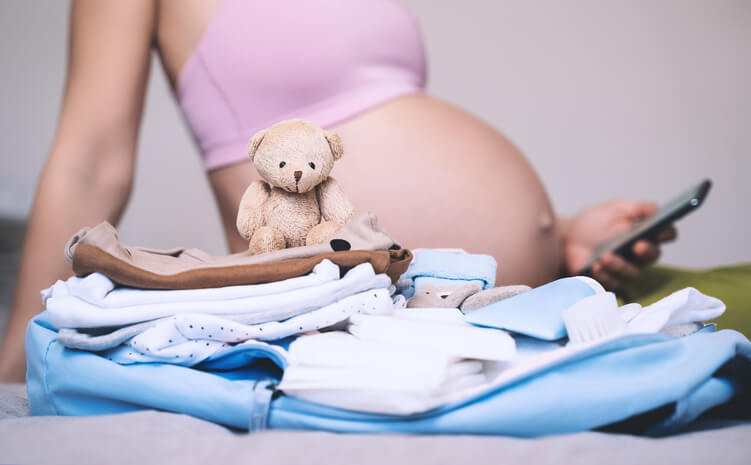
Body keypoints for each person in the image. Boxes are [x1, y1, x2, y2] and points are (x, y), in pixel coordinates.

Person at [0, 0, 676, 381]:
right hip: (359, 324)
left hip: (511, 309)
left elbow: (388, 126)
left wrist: (556, 234)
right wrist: (16, 361)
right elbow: (90, 159)